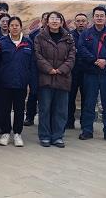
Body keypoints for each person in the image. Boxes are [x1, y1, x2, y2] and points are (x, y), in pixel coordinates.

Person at [77, 6, 106, 143]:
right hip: (90, 72)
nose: (99, 18)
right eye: (97, 16)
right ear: (93, 18)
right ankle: (87, 130)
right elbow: (81, 49)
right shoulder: (86, 34)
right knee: (89, 102)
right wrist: (94, 60)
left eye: (102, 16)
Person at [34, 11, 75, 148]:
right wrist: (49, 69)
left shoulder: (68, 38)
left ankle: (57, 136)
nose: (54, 21)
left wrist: (61, 69)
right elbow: (37, 55)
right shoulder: (40, 37)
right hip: (46, 78)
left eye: (58, 19)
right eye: (52, 18)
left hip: (63, 78)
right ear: (47, 21)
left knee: (61, 110)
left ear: (62, 22)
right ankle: (45, 136)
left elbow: (72, 57)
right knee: (45, 109)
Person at [0, 17, 37, 147]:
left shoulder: (28, 43)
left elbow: (32, 65)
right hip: (5, 83)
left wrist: (31, 83)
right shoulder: (1, 43)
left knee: (19, 110)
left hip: (21, 83)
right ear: (8, 27)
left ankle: (17, 134)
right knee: (5, 109)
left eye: (17, 25)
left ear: (21, 27)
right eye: (12, 25)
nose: (14, 27)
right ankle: (6, 133)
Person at [24, 12, 49, 126]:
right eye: (45, 19)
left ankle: (46, 119)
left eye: (49, 19)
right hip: (35, 67)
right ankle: (29, 117)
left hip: (49, 68)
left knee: (47, 94)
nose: (47, 21)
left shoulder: (57, 34)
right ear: (41, 20)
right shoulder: (34, 34)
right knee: (33, 93)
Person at [66, 13, 89, 130]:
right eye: (78, 21)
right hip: (72, 72)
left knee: (86, 98)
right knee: (70, 98)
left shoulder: (91, 35)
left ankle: (85, 123)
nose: (81, 23)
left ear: (87, 23)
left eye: (83, 21)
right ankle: (69, 121)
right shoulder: (69, 36)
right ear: (74, 23)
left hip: (87, 72)